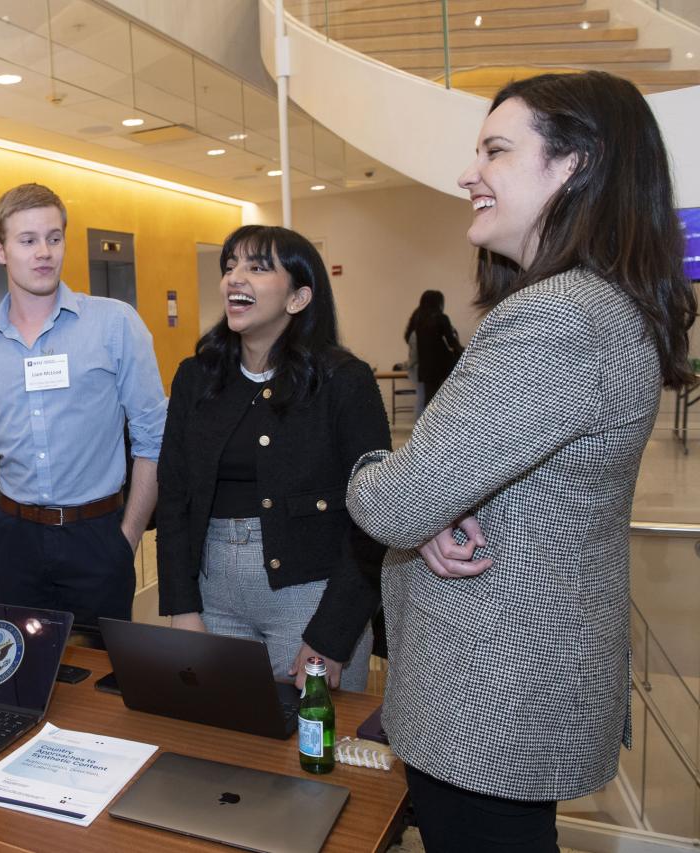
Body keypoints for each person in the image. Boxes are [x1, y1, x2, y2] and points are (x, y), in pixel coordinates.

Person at [346, 71, 696, 852]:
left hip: (491, 701)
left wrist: (379, 473)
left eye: (496, 150)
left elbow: (396, 502)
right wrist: (437, 499)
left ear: (575, 164)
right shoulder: (598, 304)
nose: (470, 172)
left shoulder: (561, 316)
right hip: (507, 692)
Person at [157, 226, 389, 691]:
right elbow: (174, 496)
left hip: (310, 594)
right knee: (222, 740)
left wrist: (332, 635)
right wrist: (183, 609)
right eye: (230, 267)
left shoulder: (344, 380)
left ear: (299, 298)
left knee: (311, 745)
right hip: (213, 591)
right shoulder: (196, 377)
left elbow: (374, 518)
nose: (235, 278)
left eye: (257, 268)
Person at [0, 182, 166, 627]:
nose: (44, 251)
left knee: (102, 681)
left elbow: (153, 439)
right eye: (27, 240)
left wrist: (127, 538)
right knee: (5, 673)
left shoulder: (115, 325)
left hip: (98, 535)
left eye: (54, 238)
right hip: (11, 540)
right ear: (0, 250)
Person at [403, 289, 460, 406]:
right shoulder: (442, 318)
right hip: (442, 366)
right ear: (439, 303)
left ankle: (426, 423)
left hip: (425, 369)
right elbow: (452, 343)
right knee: (446, 399)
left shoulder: (417, 321)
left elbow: (409, 340)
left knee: (428, 400)